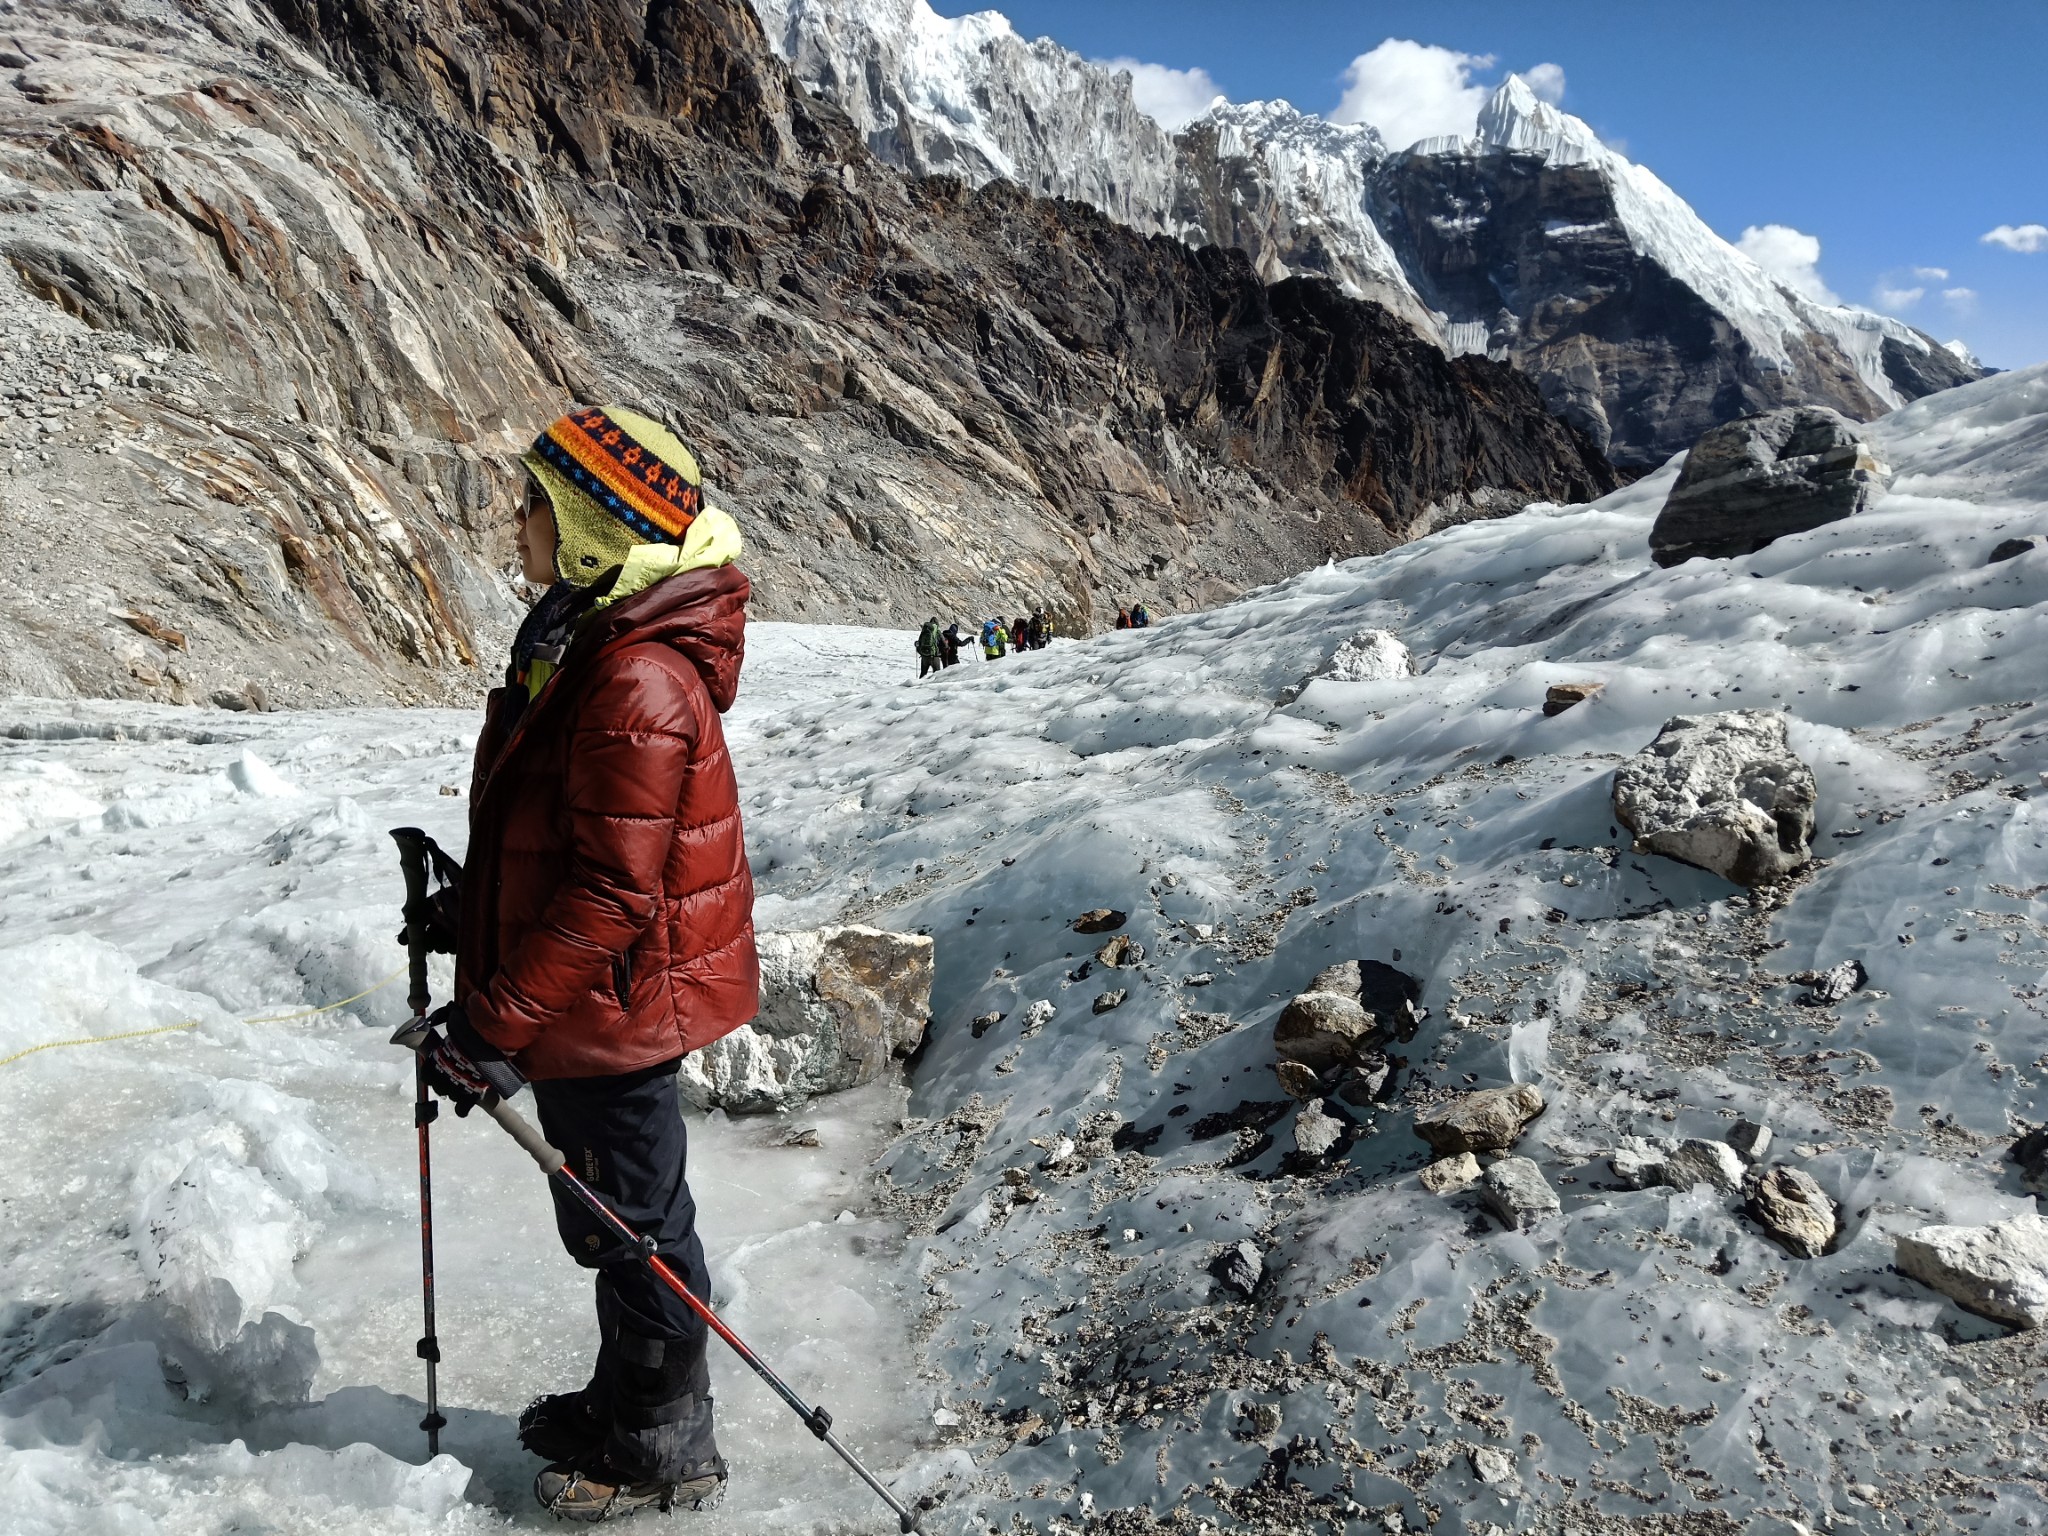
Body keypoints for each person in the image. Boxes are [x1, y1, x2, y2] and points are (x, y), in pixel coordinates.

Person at [420, 404, 758, 1522]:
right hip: (590, 1000)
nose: (513, 520)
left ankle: (662, 1446)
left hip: (612, 1007)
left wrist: (490, 1023)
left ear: (590, 532)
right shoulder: (586, 644)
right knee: (611, 1215)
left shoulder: (631, 684)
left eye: (534, 503)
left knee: (636, 1229)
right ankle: (630, 1402)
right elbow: (569, 851)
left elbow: (612, 893)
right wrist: (471, 915)